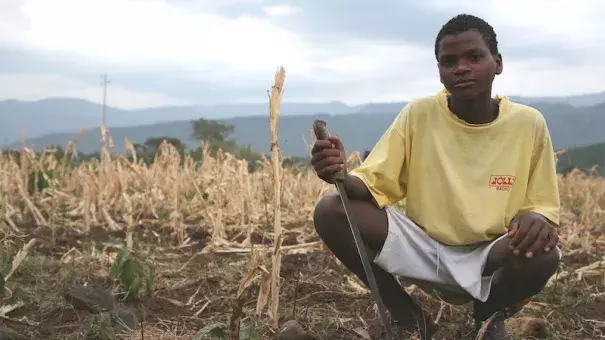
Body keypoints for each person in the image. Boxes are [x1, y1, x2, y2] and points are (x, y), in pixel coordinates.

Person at [310, 13, 562, 339]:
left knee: (543, 253)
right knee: (331, 211)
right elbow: (371, 183)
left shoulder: (529, 124)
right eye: (449, 61)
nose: (461, 67)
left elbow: (541, 207)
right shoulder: (419, 114)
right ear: (440, 71)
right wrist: (338, 174)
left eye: (474, 56)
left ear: (497, 63)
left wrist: (538, 220)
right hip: (425, 247)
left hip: (490, 254)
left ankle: (489, 317)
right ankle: (409, 317)